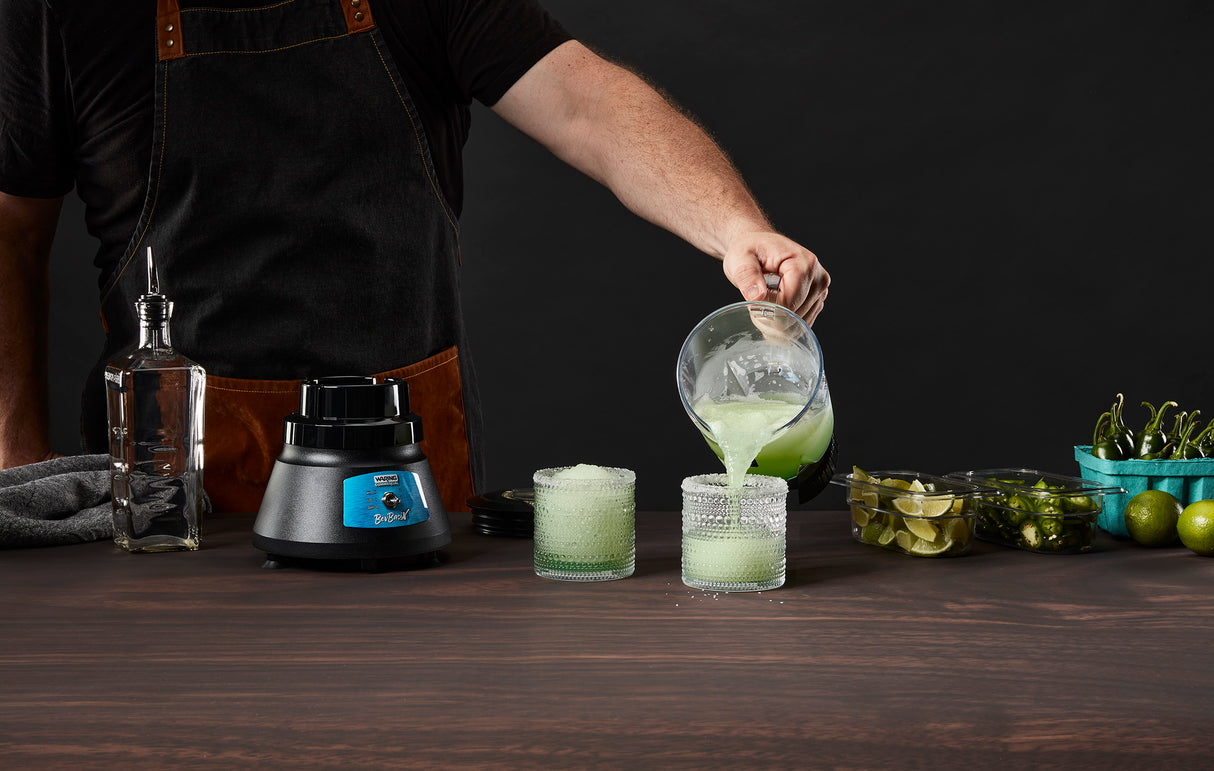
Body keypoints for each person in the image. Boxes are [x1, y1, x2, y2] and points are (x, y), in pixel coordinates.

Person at [0, 0, 829, 513]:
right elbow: (9, 233)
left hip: (402, 494)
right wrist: (19, 465)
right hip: (165, 505)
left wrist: (735, 228)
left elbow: (586, 102)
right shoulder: (60, 8)